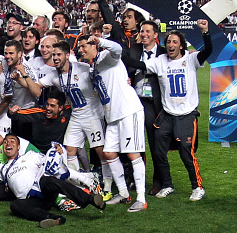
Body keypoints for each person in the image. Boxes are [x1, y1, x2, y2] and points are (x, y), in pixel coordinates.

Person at [125, 20, 211, 201]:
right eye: (168, 42)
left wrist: (205, 32)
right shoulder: (160, 61)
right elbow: (138, 65)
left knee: (185, 151)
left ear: (181, 45)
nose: (171, 45)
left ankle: (197, 186)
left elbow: (208, 51)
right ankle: (167, 184)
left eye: (174, 42)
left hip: (186, 115)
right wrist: (119, 53)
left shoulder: (190, 59)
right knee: (158, 152)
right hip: (166, 115)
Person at [0, 134, 105, 226]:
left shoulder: (30, 156)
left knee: (48, 180)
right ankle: (53, 219)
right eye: (5, 142)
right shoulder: (2, 169)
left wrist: (57, 152)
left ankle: (89, 199)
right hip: (31, 200)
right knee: (15, 206)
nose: (8, 143)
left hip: (44, 189)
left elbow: (52, 165)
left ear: (19, 147)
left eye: (12, 141)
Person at [75, 34, 147, 212]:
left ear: (94, 46)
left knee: (132, 154)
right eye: (80, 47)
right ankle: (123, 193)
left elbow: (118, 50)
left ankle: (141, 198)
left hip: (129, 111)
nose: (81, 50)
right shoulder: (93, 68)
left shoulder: (108, 58)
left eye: (85, 46)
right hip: (113, 115)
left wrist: (101, 41)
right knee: (109, 153)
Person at [24, 41, 108, 173]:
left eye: (59, 54)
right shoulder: (53, 75)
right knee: (70, 150)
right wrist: (23, 76)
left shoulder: (83, 68)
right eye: (54, 55)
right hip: (76, 115)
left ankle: (108, 184)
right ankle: (77, 180)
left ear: (67, 55)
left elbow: (102, 77)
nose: (55, 58)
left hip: (93, 116)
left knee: (101, 152)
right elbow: (36, 88)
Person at [122, 20, 166, 195]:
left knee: (156, 146)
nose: (144, 34)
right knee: (135, 144)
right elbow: (126, 69)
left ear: (156, 35)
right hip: (135, 102)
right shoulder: (134, 51)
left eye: (148, 31)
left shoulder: (164, 53)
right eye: (142, 31)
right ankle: (136, 178)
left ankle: (158, 181)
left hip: (154, 104)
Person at [8, 89, 70, 153]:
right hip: (36, 151)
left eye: (52, 106)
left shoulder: (67, 113)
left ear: (60, 108)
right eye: (47, 104)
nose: (48, 108)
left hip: (56, 150)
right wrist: (12, 111)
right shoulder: (38, 113)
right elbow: (13, 115)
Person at [1, 40, 38, 140]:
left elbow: (37, 91)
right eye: (6, 53)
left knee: (22, 143)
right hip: (10, 111)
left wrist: (20, 78)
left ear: (19, 54)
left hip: (25, 113)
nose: (7, 56)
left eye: (11, 53)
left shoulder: (27, 69)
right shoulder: (4, 63)